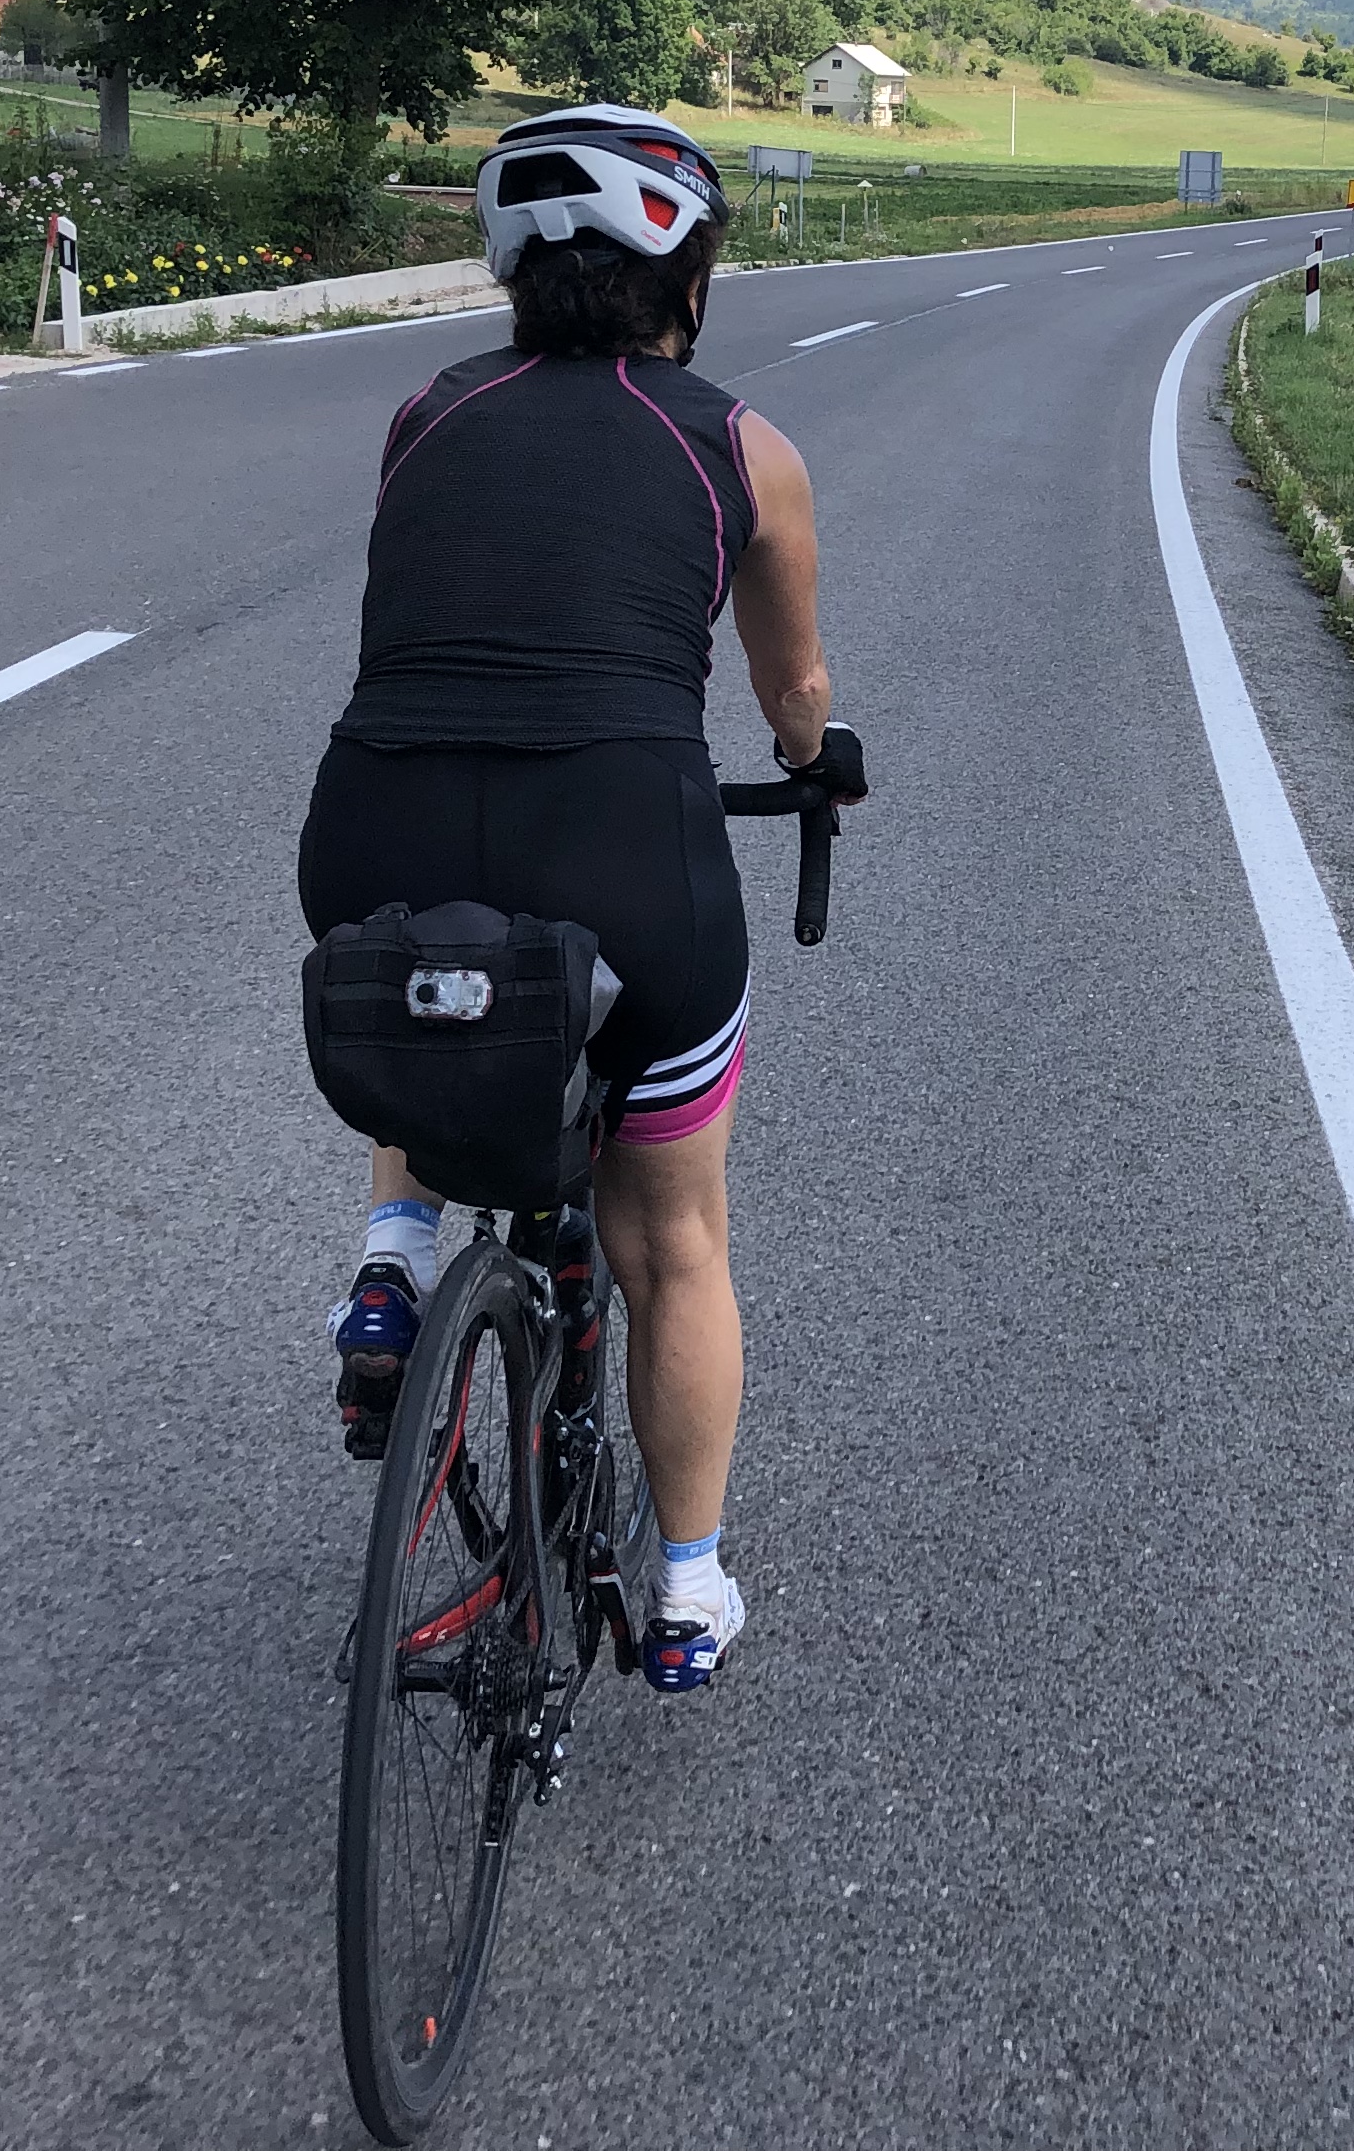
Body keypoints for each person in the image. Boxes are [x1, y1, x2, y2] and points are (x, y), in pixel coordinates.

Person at [296, 106, 839, 1694]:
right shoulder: (741, 447)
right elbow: (794, 687)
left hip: (372, 827)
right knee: (672, 1243)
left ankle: (395, 1260)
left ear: (511, 271)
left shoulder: (427, 414)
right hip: (623, 845)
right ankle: (686, 1591)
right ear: (690, 282)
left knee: (440, 977)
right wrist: (816, 763)